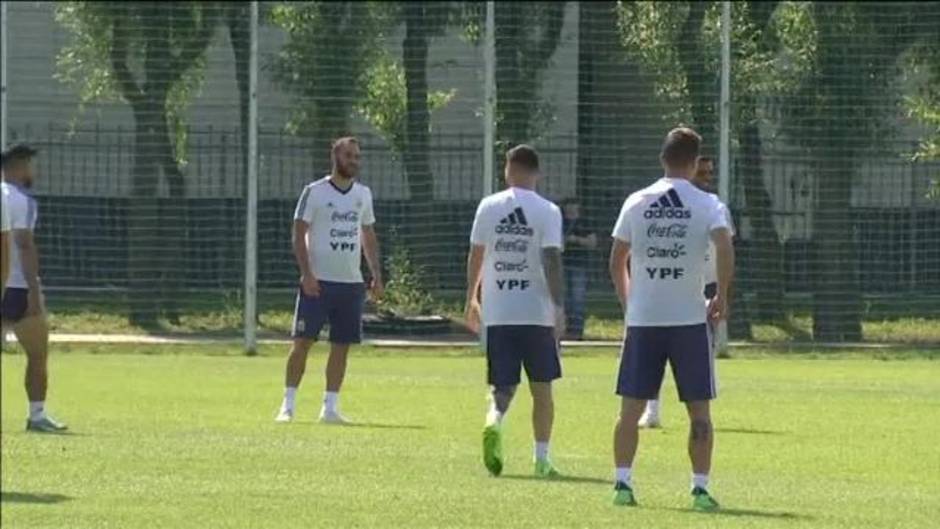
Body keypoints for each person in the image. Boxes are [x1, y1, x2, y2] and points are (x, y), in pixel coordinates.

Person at [608, 128, 734, 510]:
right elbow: (725, 245)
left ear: (662, 159)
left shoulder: (637, 201)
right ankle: (699, 489)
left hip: (644, 320)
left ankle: (622, 485)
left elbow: (617, 260)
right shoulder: (707, 203)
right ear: (695, 163)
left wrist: (629, 301)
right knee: (699, 410)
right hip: (688, 321)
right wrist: (722, 295)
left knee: (630, 409)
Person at [465, 145, 566, 478]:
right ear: (537, 173)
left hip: (499, 311)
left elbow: (476, 255)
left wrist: (471, 298)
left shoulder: (488, 206)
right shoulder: (548, 210)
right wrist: (558, 306)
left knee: (503, 386)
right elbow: (551, 259)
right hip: (535, 312)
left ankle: (494, 419)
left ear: (508, 170)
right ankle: (541, 460)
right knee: (542, 389)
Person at [275, 136, 384, 425]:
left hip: (350, 284)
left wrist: (375, 273)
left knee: (342, 344)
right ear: (335, 156)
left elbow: (368, 235)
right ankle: (287, 405)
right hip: (318, 282)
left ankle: (330, 408)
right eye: (349, 156)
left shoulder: (363, 194)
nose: (354, 161)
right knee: (302, 342)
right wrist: (307, 273)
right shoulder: (315, 192)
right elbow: (299, 233)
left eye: (357, 157)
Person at [638, 155, 734, 428]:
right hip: (672, 284)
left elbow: (727, 249)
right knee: (656, 349)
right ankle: (651, 408)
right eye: (701, 172)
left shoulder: (716, 207)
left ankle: (700, 408)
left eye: (709, 173)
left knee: (702, 347)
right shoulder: (660, 205)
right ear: (689, 170)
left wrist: (723, 292)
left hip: (706, 284)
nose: (706, 178)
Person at [1, 144, 68, 433]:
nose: (32, 171)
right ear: (19, 166)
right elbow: (24, 244)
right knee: (38, 353)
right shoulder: (20, 201)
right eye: (30, 165)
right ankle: (37, 415)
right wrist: (33, 290)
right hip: (15, 287)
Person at [560, 198, 597, 340]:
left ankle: (576, 332)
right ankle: (563, 329)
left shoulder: (584, 222)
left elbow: (592, 242)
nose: (571, 208)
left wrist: (575, 240)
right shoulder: (560, 222)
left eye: (574, 206)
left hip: (579, 265)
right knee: (563, 298)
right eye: (568, 206)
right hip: (562, 263)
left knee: (577, 298)